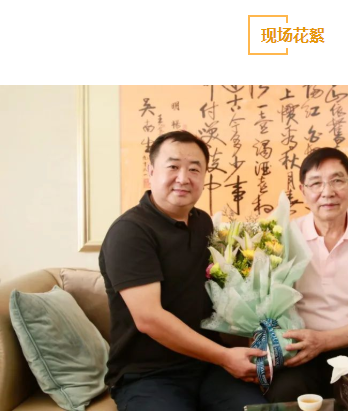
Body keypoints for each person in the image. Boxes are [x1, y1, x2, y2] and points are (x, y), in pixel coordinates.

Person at [99, 130, 267, 410]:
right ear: (151, 172)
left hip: (208, 367)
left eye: (194, 169)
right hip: (148, 375)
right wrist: (225, 357)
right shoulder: (130, 231)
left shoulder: (202, 223)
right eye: (173, 166)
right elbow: (149, 318)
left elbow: (222, 289)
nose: (183, 178)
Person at [265, 147, 348, 402]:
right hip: (300, 347)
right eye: (316, 183)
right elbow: (266, 303)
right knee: (285, 396)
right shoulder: (285, 236)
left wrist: (323, 341)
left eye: (337, 180)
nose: (327, 192)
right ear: (303, 191)